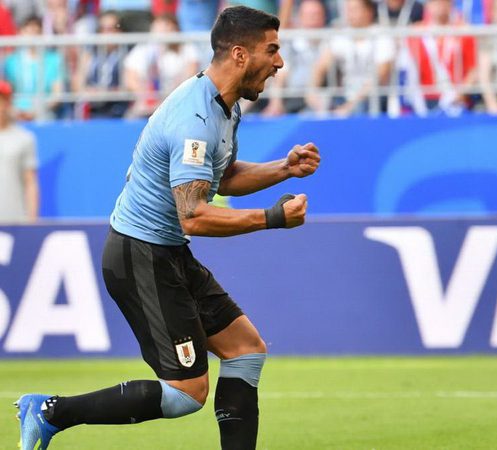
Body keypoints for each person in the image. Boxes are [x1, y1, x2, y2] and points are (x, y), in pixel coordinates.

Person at [15, 6, 320, 450]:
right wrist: (272, 218)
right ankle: (50, 411)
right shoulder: (193, 120)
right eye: (271, 50)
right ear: (240, 54)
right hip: (140, 255)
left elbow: (221, 177)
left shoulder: (224, 107)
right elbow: (193, 215)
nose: (279, 62)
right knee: (185, 393)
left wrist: (283, 169)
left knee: (246, 350)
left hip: (167, 250)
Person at [306, 0, 394, 116]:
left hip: (372, 97)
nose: (350, 14)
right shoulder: (342, 35)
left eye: (354, 9)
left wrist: (350, 106)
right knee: (312, 111)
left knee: (360, 109)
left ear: (369, 11)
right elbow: (321, 66)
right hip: (345, 96)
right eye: (348, 9)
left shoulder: (382, 36)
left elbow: (381, 75)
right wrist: (311, 91)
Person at [397, 0, 477, 116]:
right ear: (427, 5)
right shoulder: (414, 33)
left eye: (444, 2)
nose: (440, 6)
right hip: (422, 99)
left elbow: (473, 70)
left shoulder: (463, 31)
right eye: (435, 2)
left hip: (455, 100)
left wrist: (461, 94)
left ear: (451, 4)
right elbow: (405, 71)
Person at [124, 13, 201, 118]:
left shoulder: (187, 48)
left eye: (168, 26)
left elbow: (191, 74)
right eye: (160, 26)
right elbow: (130, 78)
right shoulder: (142, 49)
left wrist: (169, 99)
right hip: (146, 105)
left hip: (178, 103)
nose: (163, 31)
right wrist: (148, 97)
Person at [262, 0, 328, 116]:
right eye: (309, 15)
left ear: (324, 17)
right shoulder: (292, 42)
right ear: (300, 17)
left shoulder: (331, 41)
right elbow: (282, 70)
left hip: (318, 97)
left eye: (316, 14)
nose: (313, 19)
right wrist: (276, 102)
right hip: (291, 97)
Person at [4, 15, 66, 120]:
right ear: (20, 33)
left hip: (45, 114)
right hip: (17, 114)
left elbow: (57, 95)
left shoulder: (54, 60)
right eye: (27, 31)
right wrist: (16, 112)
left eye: (36, 32)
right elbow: (7, 93)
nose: (32, 36)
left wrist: (37, 111)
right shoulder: (11, 61)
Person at [72, 10, 129, 118]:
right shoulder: (89, 55)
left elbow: (129, 86)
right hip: (92, 109)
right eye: (103, 29)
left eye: (112, 28)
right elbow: (77, 84)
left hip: (117, 110)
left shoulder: (127, 54)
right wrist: (89, 91)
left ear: (120, 31)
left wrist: (106, 93)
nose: (107, 33)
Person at [0, 81, 39, 223]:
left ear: (9, 103)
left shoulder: (24, 138)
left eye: (3, 100)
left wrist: (32, 220)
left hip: (14, 221)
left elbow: (30, 181)